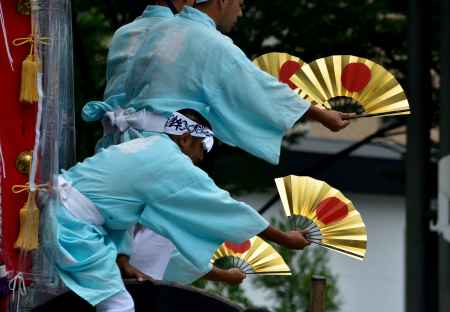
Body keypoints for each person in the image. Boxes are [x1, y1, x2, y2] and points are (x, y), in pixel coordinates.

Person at [48, 109, 310, 312]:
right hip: (72, 224)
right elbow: (224, 207)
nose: (202, 158)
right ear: (184, 139)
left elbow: (117, 211)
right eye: (202, 147)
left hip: (66, 216)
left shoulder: (145, 146)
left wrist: (123, 261)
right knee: (119, 306)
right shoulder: (172, 163)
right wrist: (284, 238)